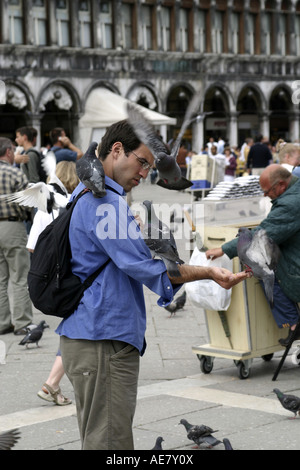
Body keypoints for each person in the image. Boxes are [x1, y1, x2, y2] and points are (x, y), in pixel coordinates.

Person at [55, 119, 250, 450]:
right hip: (103, 340)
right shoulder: (105, 202)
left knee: (98, 437)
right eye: (142, 162)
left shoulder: (85, 191)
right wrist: (210, 272)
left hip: (86, 335)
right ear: (117, 151)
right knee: (110, 445)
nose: (146, 173)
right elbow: (153, 271)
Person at [206, 164, 300, 347]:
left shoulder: (290, 203)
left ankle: (295, 324)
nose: (265, 195)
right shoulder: (294, 191)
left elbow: (264, 235)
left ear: (281, 184)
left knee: (266, 274)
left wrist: (224, 249)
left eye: (268, 191)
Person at [27, 161, 79, 406]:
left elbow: (32, 246)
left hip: (48, 281)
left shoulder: (45, 207)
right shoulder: (73, 204)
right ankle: (52, 383)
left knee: (75, 327)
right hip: (73, 277)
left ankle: (53, 383)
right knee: (76, 328)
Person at [0, 137, 33, 335]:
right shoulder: (14, 173)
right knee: (19, 277)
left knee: (0, 279)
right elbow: (26, 202)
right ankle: (22, 323)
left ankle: (2, 322)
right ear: (9, 152)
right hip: (12, 226)